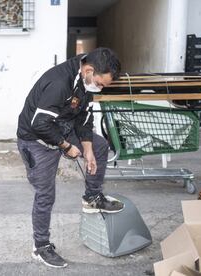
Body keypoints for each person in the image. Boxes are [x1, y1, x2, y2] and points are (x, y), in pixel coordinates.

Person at [17, 47, 124, 268]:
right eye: (100, 83)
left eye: (104, 85)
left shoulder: (86, 82)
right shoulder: (59, 83)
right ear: (88, 70)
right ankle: (41, 246)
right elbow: (40, 125)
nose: (100, 88)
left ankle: (92, 197)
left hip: (61, 128)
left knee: (100, 145)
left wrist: (88, 149)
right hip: (35, 140)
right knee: (45, 195)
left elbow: (83, 117)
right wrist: (67, 147)